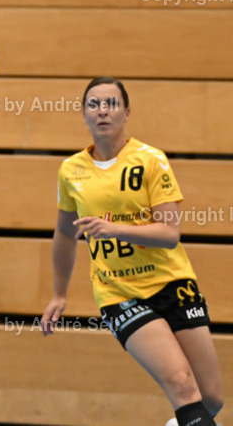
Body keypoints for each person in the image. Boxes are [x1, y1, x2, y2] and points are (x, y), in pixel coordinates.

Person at [42, 77, 224, 426]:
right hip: (119, 293)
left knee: (211, 399)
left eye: (111, 103)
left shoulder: (151, 160)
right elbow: (65, 233)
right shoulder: (71, 170)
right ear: (84, 114)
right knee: (182, 385)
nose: (103, 111)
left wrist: (114, 229)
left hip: (173, 283)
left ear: (127, 111)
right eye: (94, 104)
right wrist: (58, 294)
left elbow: (170, 234)